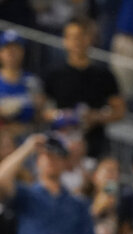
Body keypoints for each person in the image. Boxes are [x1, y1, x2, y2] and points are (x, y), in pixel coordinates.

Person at [43, 17, 126, 160]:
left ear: (90, 39)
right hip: (62, 146)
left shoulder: (104, 75)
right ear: (65, 40)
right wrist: (61, 116)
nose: (77, 41)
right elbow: (41, 110)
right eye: (72, 37)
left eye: (82, 36)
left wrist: (96, 116)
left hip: (95, 146)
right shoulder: (54, 73)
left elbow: (120, 111)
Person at [0, 30, 43, 131]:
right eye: (7, 49)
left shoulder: (32, 82)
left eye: (15, 48)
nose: (11, 53)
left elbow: (39, 116)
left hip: (28, 134)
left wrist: (39, 108)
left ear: (22, 52)